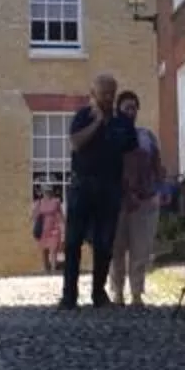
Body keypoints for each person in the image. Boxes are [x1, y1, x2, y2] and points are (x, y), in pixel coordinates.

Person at [59, 71, 136, 307]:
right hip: (83, 185)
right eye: (103, 94)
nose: (108, 98)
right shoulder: (83, 116)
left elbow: (131, 153)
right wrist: (97, 123)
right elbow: (76, 142)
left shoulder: (123, 122)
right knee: (73, 242)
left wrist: (129, 185)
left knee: (104, 242)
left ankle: (98, 293)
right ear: (93, 94)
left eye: (111, 93)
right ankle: (69, 295)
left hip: (110, 186)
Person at [111, 92, 161, 305]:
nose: (130, 112)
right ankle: (118, 292)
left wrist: (159, 190)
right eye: (126, 107)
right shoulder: (111, 134)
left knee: (141, 248)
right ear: (118, 110)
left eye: (133, 107)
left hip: (143, 199)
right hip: (118, 200)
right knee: (117, 249)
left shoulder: (146, 136)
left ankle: (137, 292)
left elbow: (157, 165)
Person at [30, 187, 63, 272]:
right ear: (43, 193)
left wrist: (64, 226)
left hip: (54, 228)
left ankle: (53, 269)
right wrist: (34, 226)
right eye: (46, 192)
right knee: (44, 250)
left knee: (54, 248)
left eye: (49, 192)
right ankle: (46, 268)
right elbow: (34, 216)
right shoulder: (39, 203)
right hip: (43, 229)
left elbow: (60, 214)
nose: (47, 193)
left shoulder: (56, 201)